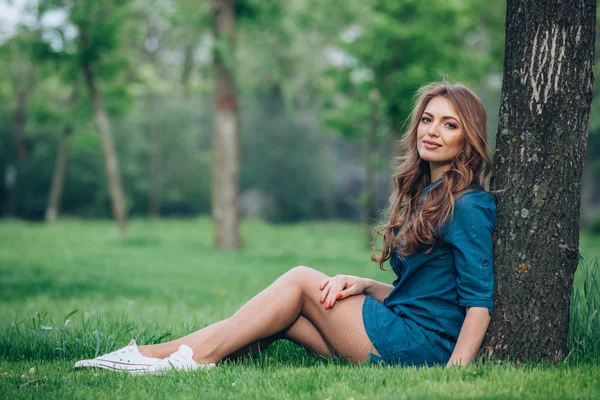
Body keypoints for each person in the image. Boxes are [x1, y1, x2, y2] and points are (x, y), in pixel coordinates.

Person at [74, 81, 497, 373]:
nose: (434, 131)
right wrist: (367, 284)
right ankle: (143, 357)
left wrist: (453, 375)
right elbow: (425, 293)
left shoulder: (469, 205)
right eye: (428, 119)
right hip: (403, 325)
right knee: (283, 318)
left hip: (421, 347)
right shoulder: (428, 193)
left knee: (298, 280)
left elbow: (478, 303)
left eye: (450, 124)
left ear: (468, 137)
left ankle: (192, 362)